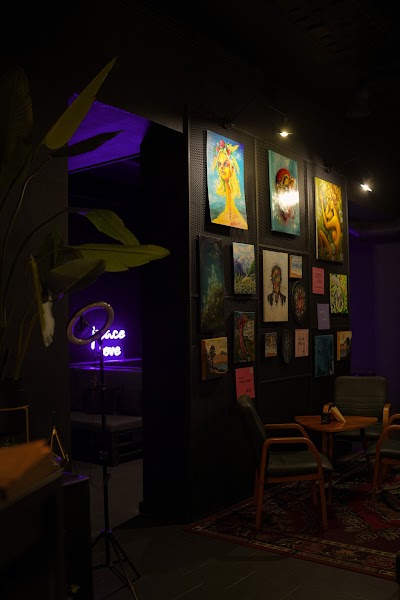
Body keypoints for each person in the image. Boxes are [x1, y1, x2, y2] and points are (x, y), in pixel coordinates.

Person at [211, 139, 248, 229]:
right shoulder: (218, 220)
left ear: (232, 168)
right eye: (219, 164)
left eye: (225, 164)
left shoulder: (241, 222)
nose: (221, 168)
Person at [317, 188, 342, 260]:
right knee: (320, 232)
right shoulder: (334, 213)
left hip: (334, 247)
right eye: (328, 199)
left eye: (330, 200)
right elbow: (327, 214)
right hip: (332, 244)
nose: (329, 202)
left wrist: (322, 204)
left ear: (335, 201)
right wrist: (328, 202)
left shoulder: (335, 218)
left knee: (320, 232)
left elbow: (327, 225)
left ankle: (324, 251)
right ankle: (322, 250)